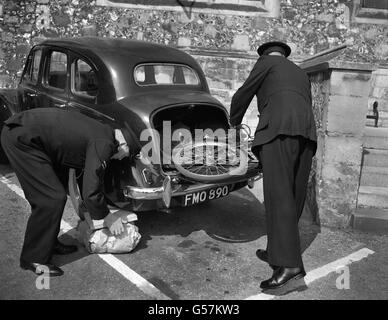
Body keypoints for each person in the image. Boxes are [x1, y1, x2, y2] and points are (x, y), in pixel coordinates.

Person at [1, 108, 131, 277]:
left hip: (32, 134)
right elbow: (91, 190)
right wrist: (108, 217)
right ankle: (33, 258)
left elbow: (86, 178)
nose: (119, 158)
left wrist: (90, 208)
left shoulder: (103, 131)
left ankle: (47, 243)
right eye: (123, 155)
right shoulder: (105, 143)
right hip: (23, 138)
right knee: (50, 198)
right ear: (123, 145)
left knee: (55, 193)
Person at [229, 41, 317, 290]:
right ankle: (277, 252)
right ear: (284, 55)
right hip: (307, 134)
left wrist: (233, 122)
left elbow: (244, 93)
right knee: (293, 194)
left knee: (278, 196)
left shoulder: (266, 63)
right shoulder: (299, 72)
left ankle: (290, 266)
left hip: (278, 131)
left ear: (266, 55)